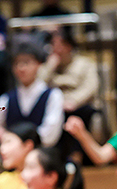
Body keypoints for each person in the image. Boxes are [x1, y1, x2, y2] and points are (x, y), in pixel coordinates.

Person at [39, 27, 102, 162]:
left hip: (80, 105)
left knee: (77, 115)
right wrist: (50, 67)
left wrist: (74, 101)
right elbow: (38, 86)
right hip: (56, 106)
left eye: (60, 45)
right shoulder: (49, 65)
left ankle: (76, 156)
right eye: (53, 45)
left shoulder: (84, 64)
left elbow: (91, 87)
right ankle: (52, 157)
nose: (56, 49)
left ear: (69, 46)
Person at [0, 41, 65, 149]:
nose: (21, 68)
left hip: (42, 155)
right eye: (17, 63)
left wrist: (21, 145)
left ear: (38, 64)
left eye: (26, 62)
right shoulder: (5, 99)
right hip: (12, 155)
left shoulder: (53, 95)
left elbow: (50, 134)